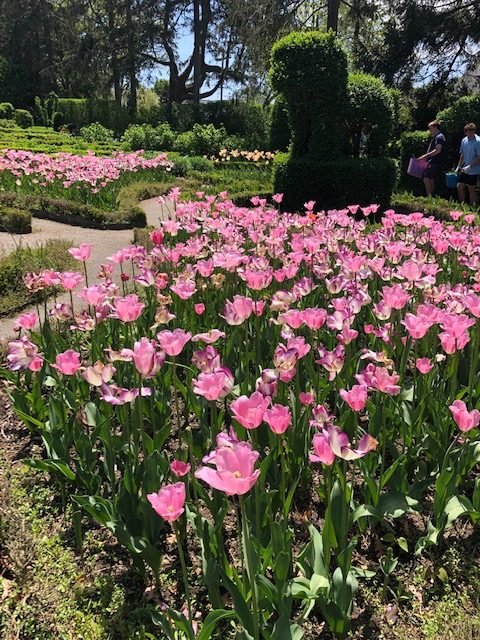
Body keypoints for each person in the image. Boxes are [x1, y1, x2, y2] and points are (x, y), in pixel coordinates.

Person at [418, 120, 446, 196]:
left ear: (435, 127)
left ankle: (429, 197)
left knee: (426, 178)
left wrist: (425, 156)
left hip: (434, 162)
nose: (429, 130)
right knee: (431, 179)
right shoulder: (437, 137)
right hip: (434, 161)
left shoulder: (439, 137)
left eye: (430, 128)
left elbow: (438, 150)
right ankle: (432, 197)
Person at [456, 123, 480, 207]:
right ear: (465, 132)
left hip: (474, 170)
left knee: (471, 189)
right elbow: (462, 154)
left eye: (472, 131)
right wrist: (459, 166)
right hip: (465, 169)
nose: (471, 133)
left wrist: (470, 166)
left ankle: (473, 208)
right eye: (468, 132)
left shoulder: (478, 141)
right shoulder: (464, 140)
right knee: (459, 186)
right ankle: (462, 206)